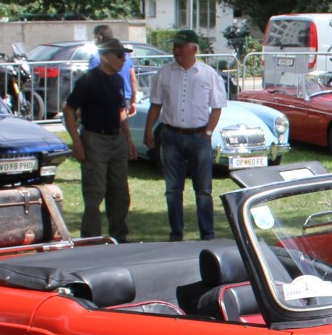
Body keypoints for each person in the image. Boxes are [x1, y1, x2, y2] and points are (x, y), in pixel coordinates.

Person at [144, 29, 226, 241]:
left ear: (194, 49)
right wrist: (148, 131)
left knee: (203, 190)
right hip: (171, 135)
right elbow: (156, 104)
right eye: (175, 46)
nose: (176, 50)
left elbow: (217, 107)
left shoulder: (208, 74)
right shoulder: (165, 73)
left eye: (181, 46)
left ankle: (207, 234)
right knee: (172, 190)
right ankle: (176, 235)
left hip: (199, 138)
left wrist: (208, 132)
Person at [63, 39, 135, 242]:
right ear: (105, 56)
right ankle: (91, 240)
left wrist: (128, 139)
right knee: (95, 193)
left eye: (125, 55)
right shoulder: (88, 80)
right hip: (95, 138)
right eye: (120, 55)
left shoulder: (118, 80)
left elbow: (121, 111)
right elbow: (69, 110)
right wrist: (77, 142)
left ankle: (119, 237)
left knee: (120, 193)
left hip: (116, 140)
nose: (124, 59)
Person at [88, 25, 139, 117]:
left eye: (94, 37)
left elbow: (92, 83)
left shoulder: (96, 57)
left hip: (107, 101)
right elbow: (133, 79)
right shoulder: (126, 56)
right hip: (125, 98)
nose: (122, 60)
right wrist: (133, 101)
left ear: (99, 37)